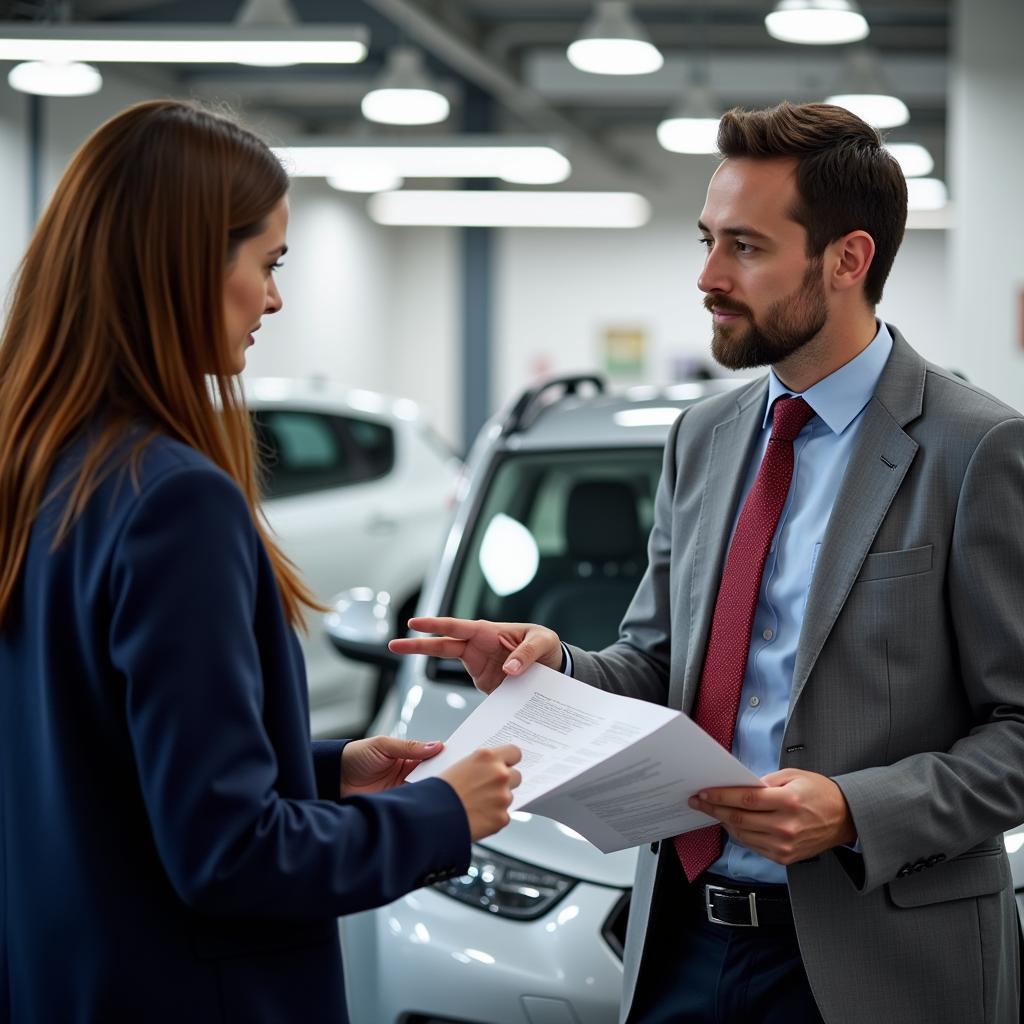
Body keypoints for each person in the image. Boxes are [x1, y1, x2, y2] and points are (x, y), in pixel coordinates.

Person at [390, 101, 1024, 1024]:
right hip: (683, 943)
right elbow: (658, 665)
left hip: (881, 964)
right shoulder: (706, 436)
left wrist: (855, 808)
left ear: (847, 260)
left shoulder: (978, 450)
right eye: (706, 241)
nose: (708, 277)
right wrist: (555, 664)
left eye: (745, 248)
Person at [0, 99, 522, 1023]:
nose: (275, 300)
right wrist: (443, 814)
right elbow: (229, 854)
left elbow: (93, 760)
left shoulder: (36, 466)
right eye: (267, 263)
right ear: (185, 265)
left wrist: (320, 769)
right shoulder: (173, 501)